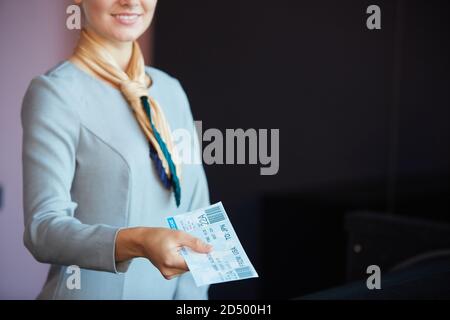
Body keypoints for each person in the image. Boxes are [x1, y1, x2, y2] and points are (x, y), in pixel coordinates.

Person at [21, 0, 212, 299]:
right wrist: (137, 241)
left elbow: (198, 213)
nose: (131, 1)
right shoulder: (55, 94)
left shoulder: (170, 90)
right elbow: (42, 229)